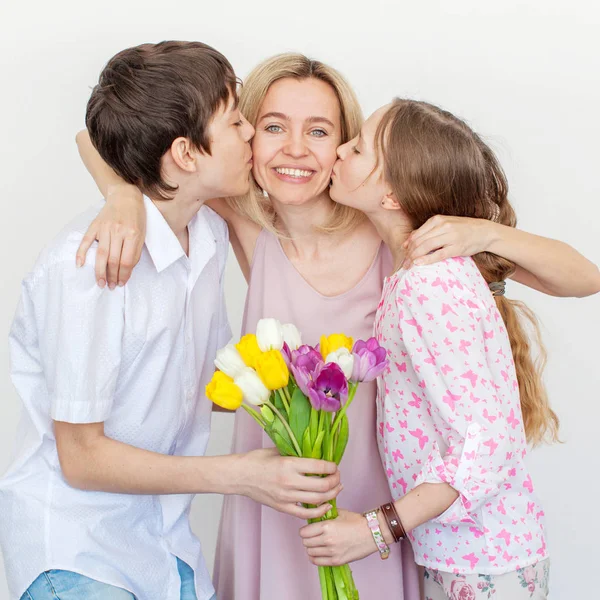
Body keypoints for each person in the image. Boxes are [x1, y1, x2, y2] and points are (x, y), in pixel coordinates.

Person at [74, 54, 600, 600]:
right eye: (274, 127)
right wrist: (121, 196)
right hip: (274, 503)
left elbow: (584, 278)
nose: (295, 149)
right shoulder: (244, 222)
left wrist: (479, 231)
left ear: (343, 149)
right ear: (245, 137)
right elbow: (94, 135)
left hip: (381, 515)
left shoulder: (400, 242)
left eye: (320, 132)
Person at [0, 42, 341, 600]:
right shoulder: (90, 266)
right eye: (236, 122)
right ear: (186, 153)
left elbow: (201, 386)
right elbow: (81, 458)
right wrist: (241, 475)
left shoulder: (205, 232)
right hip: (78, 551)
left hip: (164, 545)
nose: (253, 134)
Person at [298, 98, 581, 599]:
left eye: (358, 147)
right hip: (467, 557)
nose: (340, 149)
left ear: (390, 194)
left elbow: (487, 443)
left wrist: (373, 529)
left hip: (481, 566)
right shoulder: (421, 272)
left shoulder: (427, 286)